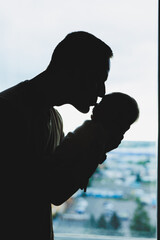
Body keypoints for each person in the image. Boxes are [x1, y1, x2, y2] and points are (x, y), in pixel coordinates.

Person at [0, 31, 113, 240]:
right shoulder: (7, 113)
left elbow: (56, 186)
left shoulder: (51, 116)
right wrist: (96, 145)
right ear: (76, 72)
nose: (103, 92)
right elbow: (52, 190)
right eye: (99, 80)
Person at [59, 92, 139, 191]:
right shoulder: (93, 137)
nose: (95, 105)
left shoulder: (91, 133)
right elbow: (59, 192)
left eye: (101, 104)